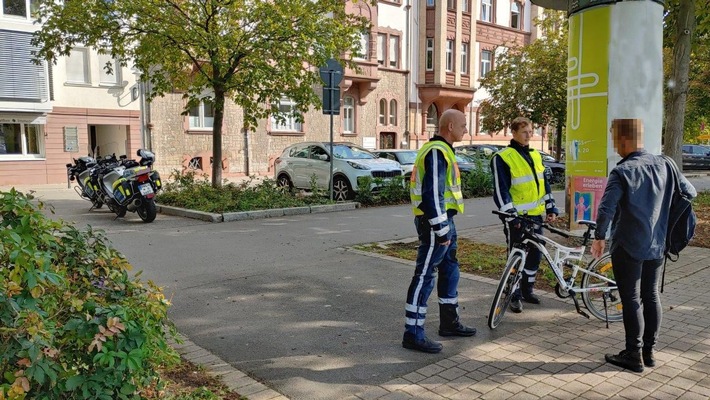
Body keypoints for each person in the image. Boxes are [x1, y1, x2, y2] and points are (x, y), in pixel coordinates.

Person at [591, 118, 696, 373]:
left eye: (615, 140)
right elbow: (689, 192)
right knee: (650, 295)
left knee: (632, 299)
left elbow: (606, 208)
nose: (615, 147)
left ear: (625, 139)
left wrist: (599, 237)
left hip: (628, 244)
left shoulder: (622, 171)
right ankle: (649, 353)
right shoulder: (666, 164)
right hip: (658, 243)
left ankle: (633, 354)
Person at [402, 109, 476, 354]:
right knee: (424, 275)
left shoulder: (442, 150)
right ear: (451, 126)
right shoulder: (436, 151)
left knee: (449, 270)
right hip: (435, 224)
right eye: (464, 125)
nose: (466, 129)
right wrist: (442, 230)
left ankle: (449, 323)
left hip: (444, 222)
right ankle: (413, 333)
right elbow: (432, 195)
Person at [491, 117, 559, 313]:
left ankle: (528, 289)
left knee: (536, 253)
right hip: (517, 218)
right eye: (524, 132)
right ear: (513, 133)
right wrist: (510, 215)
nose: (529, 135)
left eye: (531, 131)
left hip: (536, 216)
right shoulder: (503, 157)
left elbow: (544, 184)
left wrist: (551, 207)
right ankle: (513, 294)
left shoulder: (536, 155)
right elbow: (500, 190)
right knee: (516, 255)